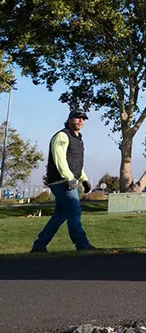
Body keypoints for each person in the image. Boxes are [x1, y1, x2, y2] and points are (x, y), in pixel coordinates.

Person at [30, 108, 96, 252]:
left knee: (60, 215)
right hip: (62, 182)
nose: (80, 121)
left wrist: (84, 179)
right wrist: (69, 178)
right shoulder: (61, 136)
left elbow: (76, 163)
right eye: (77, 118)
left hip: (69, 180)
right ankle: (82, 245)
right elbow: (60, 159)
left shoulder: (79, 139)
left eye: (83, 119)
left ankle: (39, 246)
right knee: (74, 212)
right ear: (69, 120)